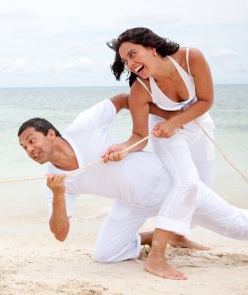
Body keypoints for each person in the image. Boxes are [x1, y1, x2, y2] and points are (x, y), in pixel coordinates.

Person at [17, 94, 247, 280]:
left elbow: (124, 100)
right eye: (23, 147)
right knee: (106, 254)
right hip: (131, 203)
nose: (29, 150)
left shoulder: (84, 126)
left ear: (51, 134)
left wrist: (154, 126)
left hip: (170, 186)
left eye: (31, 140)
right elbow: (60, 234)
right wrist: (58, 195)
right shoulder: (55, 180)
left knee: (237, 228)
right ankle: (161, 236)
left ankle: (173, 232)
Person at [103, 27, 216, 279]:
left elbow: (206, 100)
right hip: (164, 133)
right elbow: (138, 136)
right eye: (125, 61)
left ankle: (178, 235)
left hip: (199, 124)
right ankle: (156, 258)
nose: (130, 64)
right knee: (186, 182)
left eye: (133, 54)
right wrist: (123, 148)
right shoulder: (140, 90)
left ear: (152, 48)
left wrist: (177, 121)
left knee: (202, 185)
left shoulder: (191, 58)